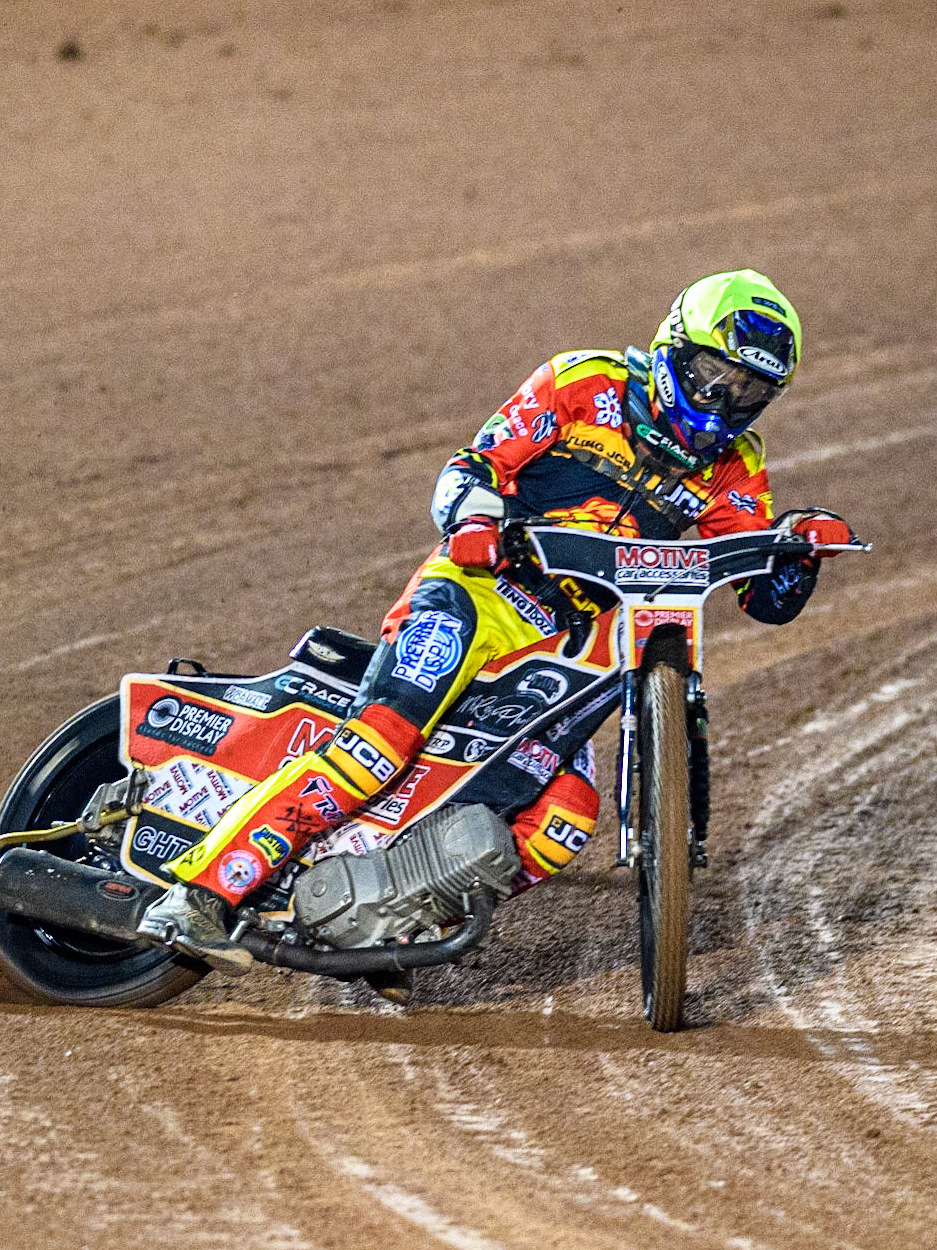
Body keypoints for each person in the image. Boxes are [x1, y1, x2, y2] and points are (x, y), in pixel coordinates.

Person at [138, 269, 853, 980]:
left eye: (748, 391)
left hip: (572, 652)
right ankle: (199, 892)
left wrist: (796, 551)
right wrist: (476, 515)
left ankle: (397, 917)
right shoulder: (584, 382)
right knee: (376, 749)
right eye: (710, 375)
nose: (722, 400)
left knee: (564, 820)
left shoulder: (736, 466)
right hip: (478, 595)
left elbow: (761, 598)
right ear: (672, 348)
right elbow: (471, 466)